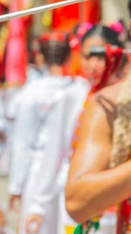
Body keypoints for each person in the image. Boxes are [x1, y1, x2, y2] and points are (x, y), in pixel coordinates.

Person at [8, 32, 92, 234]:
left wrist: (16, 187)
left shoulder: (31, 92)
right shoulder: (82, 88)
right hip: (72, 173)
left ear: (41, 58)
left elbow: (23, 142)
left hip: (38, 175)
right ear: (70, 57)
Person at [65, 22, 131, 232]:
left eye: (101, 56)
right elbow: (77, 200)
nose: (94, 64)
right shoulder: (99, 101)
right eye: (88, 56)